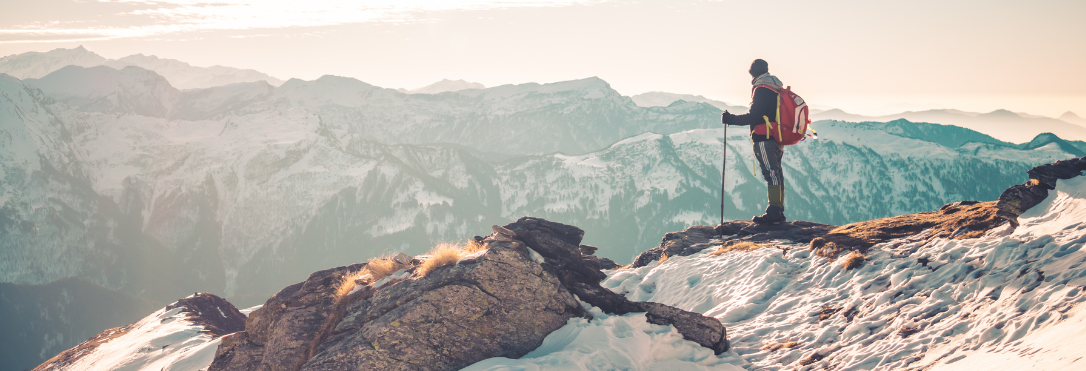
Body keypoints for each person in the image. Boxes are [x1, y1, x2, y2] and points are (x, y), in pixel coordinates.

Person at [721, 59, 787, 224]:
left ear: (752, 72)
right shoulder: (775, 88)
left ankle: (774, 212)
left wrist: (731, 119)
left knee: (771, 173)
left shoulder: (762, 89)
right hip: (777, 136)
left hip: (764, 138)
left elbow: (755, 116)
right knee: (777, 173)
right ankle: (778, 210)